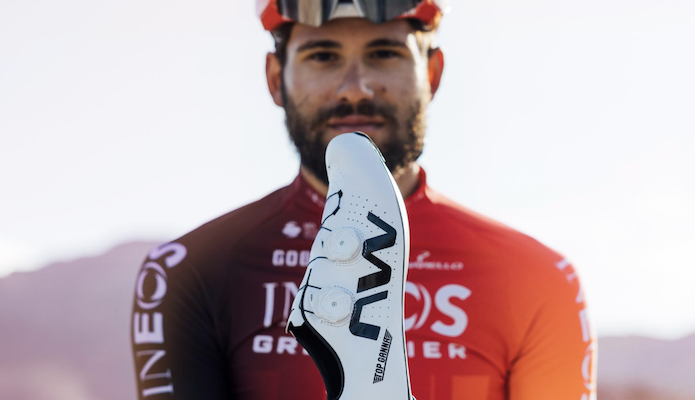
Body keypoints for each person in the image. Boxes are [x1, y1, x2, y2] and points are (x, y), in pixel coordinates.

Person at [131, 1, 597, 399]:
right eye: (322, 55)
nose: (356, 88)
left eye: (384, 53)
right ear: (275, 79)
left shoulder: (538, 279)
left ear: (432, 73)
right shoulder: (189, 272)